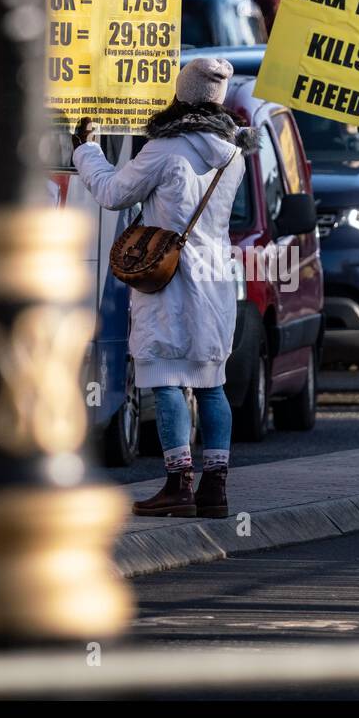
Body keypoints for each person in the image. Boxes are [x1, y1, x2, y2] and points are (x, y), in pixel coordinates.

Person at [71, 58, 249, 518]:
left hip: (168, 276)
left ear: (181, 93)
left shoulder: (166, 148)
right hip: (215, 276)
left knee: (165, 377)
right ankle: (216, 488)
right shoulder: (232, 153)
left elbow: (112, 193)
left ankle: (178, 484)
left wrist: (86, 150)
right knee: (211, 382)